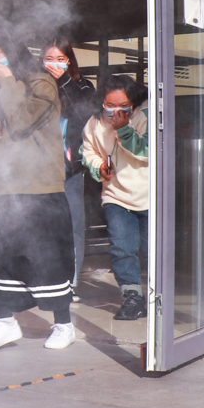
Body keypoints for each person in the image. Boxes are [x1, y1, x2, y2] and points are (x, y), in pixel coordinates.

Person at [0, 26, 76, 351]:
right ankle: (4, 322)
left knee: (45, 261)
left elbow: (21, 122)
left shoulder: (41, 83)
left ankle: (64, 325)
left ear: (12, 51)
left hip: (36, 187)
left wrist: (7, 81)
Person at [80, 74, 150, 321]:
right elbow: (87, 151)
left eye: (123, 105)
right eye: (109, 105)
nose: (115, 111)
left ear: (133, 102)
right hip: (115, 197)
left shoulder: (145, 117)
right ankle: (132, 298)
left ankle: (157, 295)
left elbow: (147, 152)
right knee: (122, 248)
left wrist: (123, 129)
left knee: (151, 249)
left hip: (150, 196)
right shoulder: (95, 122)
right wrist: (98, 167)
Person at [42, 38, 97, 301]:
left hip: (70, 169)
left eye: (60, 59)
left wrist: (64, 81)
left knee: (73, 225)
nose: (54, 65)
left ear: (70, 61)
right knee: (42, 226)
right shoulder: (36, 85)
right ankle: (43, 281)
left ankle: (69, 284)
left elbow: (84, 115)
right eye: (49, 59)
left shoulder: (83, 86)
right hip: (39, 168)